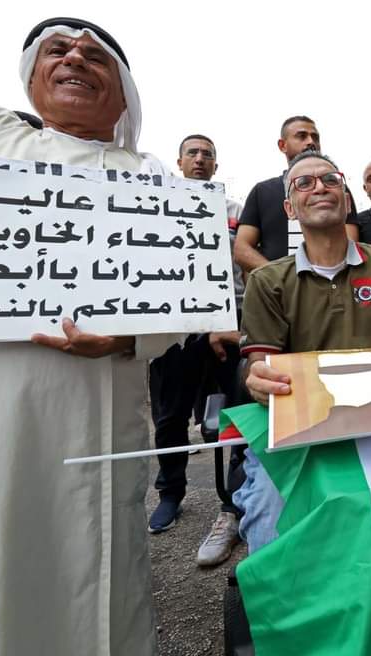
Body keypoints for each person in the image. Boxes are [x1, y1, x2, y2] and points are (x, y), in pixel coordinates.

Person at [0, 17, 183, 655]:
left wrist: (127, 339)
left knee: (95, 576)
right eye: (58, 50)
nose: (74, 60)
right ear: (32, 78)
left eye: (95, 56)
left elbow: (185, 298)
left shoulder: (153, 177)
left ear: (122, 96)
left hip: (99, 412)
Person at [232, 151, 371, 552]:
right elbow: (260, 365)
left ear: (346, 200)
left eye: (330, 180)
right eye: (304, 183)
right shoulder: (267, 280)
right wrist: (256, 379)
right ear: (290, 209)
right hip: (298, 431)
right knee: (269, 523)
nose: (320, 188)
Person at [145, 135, 247, 567]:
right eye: (193, 153)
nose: (200, 159)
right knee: (170, 415)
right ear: (180, 161)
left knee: (239, 414)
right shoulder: (156, 203)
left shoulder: (235, 210)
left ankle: (236, 500)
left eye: (208, 154)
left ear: (216, 164)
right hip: (174, 326)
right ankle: (171, 492)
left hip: (228, 321)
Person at [234, 116, 360, 274]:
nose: (311, 142)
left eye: (315, 137)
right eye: (301, 136)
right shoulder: (262, 191)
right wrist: (280, 279)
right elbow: (241, 249)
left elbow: (350, 242)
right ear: (282, 145)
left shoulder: (336, 188)